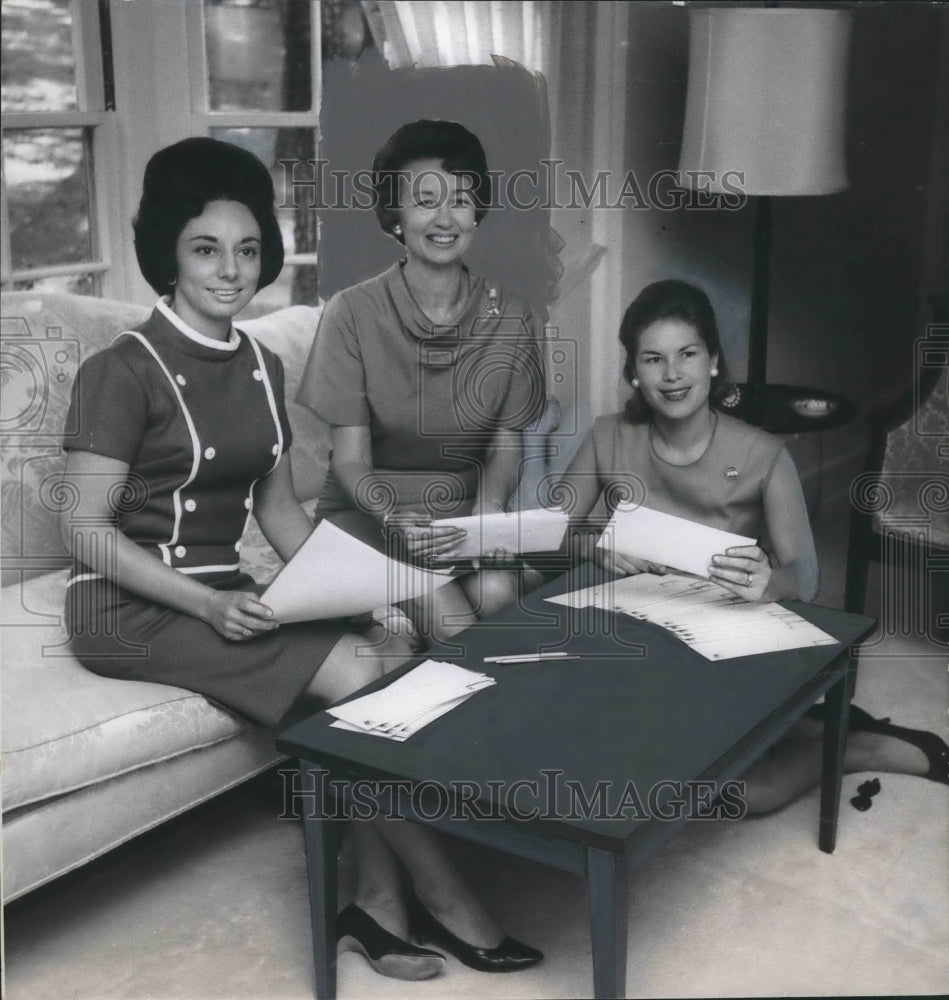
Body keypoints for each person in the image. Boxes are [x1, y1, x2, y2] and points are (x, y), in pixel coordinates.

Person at [61, 136, 542, 980]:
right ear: (166, 253)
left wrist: (354, 588)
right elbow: (84, 530)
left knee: (388, 645)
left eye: (247, 251)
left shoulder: (259, 362)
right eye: (204, 250)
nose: (230, 272)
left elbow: (279, 509)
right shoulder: (121, 369)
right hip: (127, 607)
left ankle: (376, 906)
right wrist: (206, 604)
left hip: (227, 591)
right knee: (359, 678)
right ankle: (452, 897)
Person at [558, 279, 948, 810]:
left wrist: (770, 581)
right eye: (653, 359)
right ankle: (803, 726)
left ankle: (855, 745)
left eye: (688, 354)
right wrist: (594, 550)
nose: (672, 374)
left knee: (738, 793)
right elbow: (554, 531)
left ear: (714, 362)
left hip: (727, 635)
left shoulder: (763, 454)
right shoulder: (607, 435)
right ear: (632, 372)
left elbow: (804, 575)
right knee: (609, 757)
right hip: (639, 631)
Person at [298, 119, 547, 642]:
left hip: (461, 521)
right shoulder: (351, 312)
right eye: (424, 200)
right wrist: (392, 518)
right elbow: (349, 461)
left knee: (498, 593)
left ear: (478, 210)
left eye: (459, 198)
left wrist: (488, 513)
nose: (444, 217)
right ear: (395, 215)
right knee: (450, 619)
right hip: (369, 517)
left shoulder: (515, 315)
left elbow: (506, 443)